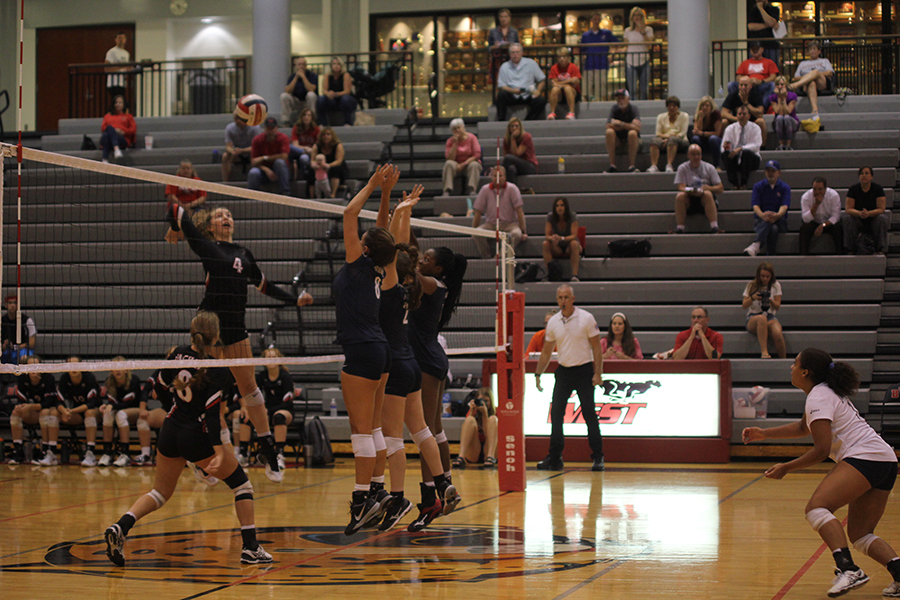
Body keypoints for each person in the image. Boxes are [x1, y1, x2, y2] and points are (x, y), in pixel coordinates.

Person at [104, 311, 273, 567]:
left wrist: (174, 405)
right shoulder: (219, 368)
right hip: (197, 435)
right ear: (217, 336)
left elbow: (158, 385)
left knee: (159, 492)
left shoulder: (177, 353)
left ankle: (121, 526)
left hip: (171, 429)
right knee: (242, 485)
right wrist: (217, 450)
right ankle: (250, 548)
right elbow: (212, 415)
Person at [165, 201, 313, 483]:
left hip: (235, 328)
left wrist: (294, 299)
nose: (226, 218)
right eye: (220, 215)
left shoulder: (244, 253)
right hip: (209, 328)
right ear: (210, 226)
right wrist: (174, 227)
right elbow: (175, 208)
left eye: (229, 215)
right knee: (205, 395)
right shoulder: (208, 247)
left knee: (250, 391)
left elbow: (264, 285)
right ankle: (202, 456)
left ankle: (267, 448)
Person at [742, 348, 900, 599]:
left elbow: (822, 450)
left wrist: (786, 467)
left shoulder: (818, 396)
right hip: (885, 460)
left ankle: (848, 569)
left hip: (865, 457)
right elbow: (804, 427)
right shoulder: (823, 393)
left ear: (805, 371)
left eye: (794, 364)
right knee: (860, 534)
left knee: (817, 508)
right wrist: (765, 433)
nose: (791, 368)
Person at [368, 186, 458, 532]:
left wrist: (397, 210)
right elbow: (400, 248)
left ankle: (396, 496)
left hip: (404, 360)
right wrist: (401, 210)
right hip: (415, 361)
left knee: (399, 434)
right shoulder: (415, 285)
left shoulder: (403, 285)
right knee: (423, 430)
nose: (422, 258)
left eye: (428, 257)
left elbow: (394, 247)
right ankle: (438, 486)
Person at [408, 243, 467, 530]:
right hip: (431, 358)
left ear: (439, 268)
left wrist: (400, 242)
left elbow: (406, 267)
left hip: (427, 362)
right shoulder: (437, 283)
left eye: (427, 259)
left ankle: (429, 500)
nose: (421, 260)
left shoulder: (432, 283)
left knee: (424, 433)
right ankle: (447, 487)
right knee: (434, 430)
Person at [534, 284, 604, 472]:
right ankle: (555, 457)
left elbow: (597, 348)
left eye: (566, 297)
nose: (563, 301)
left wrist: (598, 373)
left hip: (584, 371)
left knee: (589, 414)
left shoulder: (586, 318)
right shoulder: (554, 322)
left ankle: (598, 457)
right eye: (560, 298)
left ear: (573, 299)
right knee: (556, 414)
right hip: (564, 372)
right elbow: (547, 351)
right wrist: (538, 373)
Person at [235, 347, 295, 470]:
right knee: (245, 417)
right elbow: (250, 393)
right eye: (267, 357)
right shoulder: (261, 376)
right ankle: (243, 454)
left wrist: (268, 411)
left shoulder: (285, 377)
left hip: (285, 410)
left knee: (278, 416)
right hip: (266, 411)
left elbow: (287, 403)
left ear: (279, 360)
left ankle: (279, 455)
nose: (270, 360)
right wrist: (245, 407)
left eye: (273, 357)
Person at [99, 357, 149, 467]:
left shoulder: (133, 380)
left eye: (121, 367)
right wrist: (106, 406)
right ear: (111, 370)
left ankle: (125, 454)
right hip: (119, 411)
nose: (118, 370)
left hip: (135, 411)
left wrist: (111, 406)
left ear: (126, 370)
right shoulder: (109, 382)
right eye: (115, 367)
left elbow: (127, 403)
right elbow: (112, 401)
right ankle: (107, 453)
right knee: (107, 414)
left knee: (120, 414)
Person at [471, 166, 528, 259]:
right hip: (491, 224)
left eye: (500, 176)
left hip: (510, 224)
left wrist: (523, 231)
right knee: (477, 233)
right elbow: (478, 212)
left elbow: (519, 211)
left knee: (516, 234)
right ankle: (487, 258)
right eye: (494, 176)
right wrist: (472, 230)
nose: (497, 178)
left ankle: (499, 257)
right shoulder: (485, 190)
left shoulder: (512, 189)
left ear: (505, 177)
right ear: (491, 177)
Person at [10, 356, 58, 465]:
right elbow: (20, 400)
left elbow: (49, 403)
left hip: (48, 411)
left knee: (44, 412)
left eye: (36, 366)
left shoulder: (48, 378)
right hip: (33, 413)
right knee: (15, 413)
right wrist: (19, 406)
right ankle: (18, 451)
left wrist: (30, 406)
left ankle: (45, 451)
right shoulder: (22, 378)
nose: (33, 369)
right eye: (30, 366)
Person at [56, 356, 101, 467]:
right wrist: (64, 411)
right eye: (71, 366)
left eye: (77, 365)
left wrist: (71, 411)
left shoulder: (89, 377)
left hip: (95, 412)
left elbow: (91, 403)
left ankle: (90, 453)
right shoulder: (64, 378)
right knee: (53, 413)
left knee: (89, 413)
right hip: (76, 413)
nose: (74, 368)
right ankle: (50, 451)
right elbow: (57, 402)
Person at [672, 144, 725, 234]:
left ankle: (714, 226)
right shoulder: (682, 168)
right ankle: (680, 227)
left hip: (705, 199)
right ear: (688, 155)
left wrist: (709, 188)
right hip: (690, 199)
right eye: (693, 154)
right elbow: (681, 187)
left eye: (698, 154)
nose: (696, 157)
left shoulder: (709, 167)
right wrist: (690, 191)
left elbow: (720, 188)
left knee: (708, 194)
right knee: (680, 196)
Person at [745, 159, 791, 257]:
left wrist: (777, 215)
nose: (770, 174)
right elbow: (755, 205)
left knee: (773, 223)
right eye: (768, 171)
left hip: (780, 221)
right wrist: (763, 215)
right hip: (762, 220)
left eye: (773, 171)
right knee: (773, 228)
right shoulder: (758, 186)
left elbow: (784, 206)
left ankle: (756, 244)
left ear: (779, 173)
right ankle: (771, 254)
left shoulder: (785, 188)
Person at [743, 262, 786, 358]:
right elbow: (744, 305)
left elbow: (777, 306)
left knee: (777, 332)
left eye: (767, 276)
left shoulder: (776, 285)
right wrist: (753, 297)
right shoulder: (751, 285)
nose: (765, 279)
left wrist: (770, 300)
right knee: (761, 319)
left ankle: (784, 359)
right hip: (753, 316)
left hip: (769, 315)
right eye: (762, 276)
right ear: (758, 275)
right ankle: (764, 352)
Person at [495, 43, 547, 122]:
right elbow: (502, 85)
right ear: (509, 54)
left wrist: (538, 91)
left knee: (541, 100)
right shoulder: (505, 66)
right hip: (512, 94)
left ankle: (528, 121)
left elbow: (542, 79)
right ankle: (501, 121)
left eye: (517, 52)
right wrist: (513, 91)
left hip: (528, 93)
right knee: (501, 95)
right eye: (513, 52)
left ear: (522, 53)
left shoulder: (531, 63)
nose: (515, 55)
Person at [843, 166, 888, 255]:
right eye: (862, 173)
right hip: (858, 219)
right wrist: (860, 213)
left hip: (873, 219)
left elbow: (881, 209)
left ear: (871, 176)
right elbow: (848, 209)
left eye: (866, 173)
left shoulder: (878, 189)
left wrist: (869, 214)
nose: (864, 175)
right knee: (847, 219)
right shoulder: (853, 189)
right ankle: (850, 249)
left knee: (882, 218)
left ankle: (879, 248)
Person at [453, 387, 498, 469]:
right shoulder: (473, 412)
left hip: (490, 448)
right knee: (470, 419)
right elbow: (467, 431)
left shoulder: (497, 412)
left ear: (491, 401)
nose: (483, 403)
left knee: (493, 419)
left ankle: (490, 457)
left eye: (486, 401)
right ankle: (461, 456)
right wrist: (471, 411)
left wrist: (485, 414)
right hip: (475, 449)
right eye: (480, 401)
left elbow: (487, 435)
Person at [721, 104, 763, 191]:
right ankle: (735, 184)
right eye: (739, 114)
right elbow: (723, 147)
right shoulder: (730, 128)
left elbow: (757, 145)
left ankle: (743, 183)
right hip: (736, 159)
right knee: (725, 154)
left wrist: (741, 148)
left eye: (744, 114)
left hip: (751, 159)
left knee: (746, 152)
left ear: (749, 116)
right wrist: (726, 148)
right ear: (736, 115)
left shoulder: (755, 128)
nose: (741, 116)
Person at [727, 41, 779, 108]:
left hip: (761, 85)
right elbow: (738, 76)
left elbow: (773, 76)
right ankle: (739, 106)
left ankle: (762, 106)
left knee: (772, 85)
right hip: (747, 85)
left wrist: (761, 81)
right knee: (731, 85)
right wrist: (747, 81)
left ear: (762, 49)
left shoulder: (769, 62)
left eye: (756, 48)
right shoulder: (745, 63)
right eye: (753, 49)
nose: (754, 50)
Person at [580, 12, 618, 101]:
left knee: (601, 90)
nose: (596, 21)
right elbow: (582, 51)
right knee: (586, 90)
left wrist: (612, 55)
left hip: (602, 65)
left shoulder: (606, 33)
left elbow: (617, 43)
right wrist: (580, 63)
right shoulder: (586, 35)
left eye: (598, 19)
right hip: (588, 66)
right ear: (591, 20)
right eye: (595, 19)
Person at [799, 176, 843, 255]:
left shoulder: (834, 195)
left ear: (825, 188)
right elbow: (806, 219)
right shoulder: (806, 197)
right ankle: (803, 256)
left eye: (820, 189)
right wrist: (816, 205)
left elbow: (836, 216)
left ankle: (839, 255)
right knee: (804, 229)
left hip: (828, 222)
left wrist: (823, 225)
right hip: (814, 221)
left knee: (838, 228)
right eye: (815, 189)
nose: (817, 192)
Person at [543, 196, 582, 282]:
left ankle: (574, 275)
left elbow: (574, 235)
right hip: (557, 246)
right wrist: (553, 238)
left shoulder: (572, 216)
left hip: (569, 246)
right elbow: (547, 235)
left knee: (574, 243)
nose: (559, 208)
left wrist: (562, 238)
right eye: (557, 206)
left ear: (566, 207)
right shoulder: (550, 216)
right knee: (545, 243)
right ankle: (550, 274)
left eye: (562, 205)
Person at [248, 117, 290, 195]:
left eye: (272, 128)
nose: (270, 130)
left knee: (279, 163)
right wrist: (266, 170)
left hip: (280, 171)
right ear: (265, 128)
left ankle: (285, 192)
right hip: (263, 171)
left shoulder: (283, 138)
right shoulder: (257, 140)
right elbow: (253, 162)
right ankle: (252, 198)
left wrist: (264, 158)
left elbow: (284, 157)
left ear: (276, 128)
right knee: (253, 173)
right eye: (268, 128)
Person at [791, 41, 834, 119]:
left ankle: (794, 86)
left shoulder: (824, 61)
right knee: (812, 83)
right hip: (807, 85)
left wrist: (815, 75)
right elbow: (796, 77)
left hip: (821, 83)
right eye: (810, 49)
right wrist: (809, 78)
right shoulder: (803, 63)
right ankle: (815, 109)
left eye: (814, 49)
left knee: (816, 72)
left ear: (819, 51)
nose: (812, 51)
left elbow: (830, 73)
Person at [647, 95, 689, 173]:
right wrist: (667, 138)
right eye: (669, 106)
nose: (672, 108)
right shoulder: (661, 117)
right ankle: (654, 166)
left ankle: (669, 165)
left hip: (681, 140)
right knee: (654, 141)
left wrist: (669, 139)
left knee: (672, 140)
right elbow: (658, 133)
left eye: (674, 106)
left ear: (678, 107)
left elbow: (682, 133)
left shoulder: (684, 116)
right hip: (663, 139)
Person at [721, 77, 767, 146]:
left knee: (761, 121)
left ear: (750, 86)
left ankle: (762, 147)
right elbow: (723, 113)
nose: (743, 87)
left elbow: (760, 113)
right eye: (741, 85)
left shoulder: (756, 94)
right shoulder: (733, 95)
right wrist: (738, 119)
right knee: (724, 121)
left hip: (752, 122)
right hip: (737, 121)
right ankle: (726, 146)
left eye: (745, 85)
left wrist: (746, 103)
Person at [441, 118, 482, 197]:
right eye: (454, 129)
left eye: (459, 128)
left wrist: (464, 164)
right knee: (448, 163)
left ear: (463, 127)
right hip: (456, 164)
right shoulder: (450, 141)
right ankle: (447, 190)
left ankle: (472, 189)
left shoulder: (472, 138)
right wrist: (455, 143)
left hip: (469, 163)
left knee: (474, 165)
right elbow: (449, 158)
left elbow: (477, 155)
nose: (457, 130)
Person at [605, 88, 642, 173]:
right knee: (609, 132)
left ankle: (632, 165)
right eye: (619, 98)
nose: (621, 100)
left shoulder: (634, 109)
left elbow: (637, 128)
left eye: (623, 98)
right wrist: (629, 125)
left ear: (628, 98)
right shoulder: (614, 109)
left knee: (632, 133)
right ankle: (612, 165)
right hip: (619, 141)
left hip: (634, 141)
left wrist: (620, 124)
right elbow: (608, 125)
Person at [307, 127, 348, 199]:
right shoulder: (316, 146)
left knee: (336, 170)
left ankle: (333, 194)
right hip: (320, 167)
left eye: (328, 134)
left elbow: (339, 161)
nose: (326, 136)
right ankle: (312, 196)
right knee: (311, 171)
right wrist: (315, 165)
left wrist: (327, 165)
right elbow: (312, 160)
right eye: (324, 135)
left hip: (334, 165)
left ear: (332, 136)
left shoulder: (338, 145)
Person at [622, 7, 653, 100]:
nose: (637, 17)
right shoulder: (628, 31)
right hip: (631, 61)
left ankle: (644, 106)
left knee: (644, 89)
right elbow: (626, 45)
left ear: (642, 17)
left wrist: (643, 32)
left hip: (644, 60)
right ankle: (633, 107)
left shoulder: (648, 29)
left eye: (639, 15)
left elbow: (649, 45)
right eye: (634, 15)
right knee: (632, 89)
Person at [316, 56, 357, 127]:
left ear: (341, 66)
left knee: (345, 98)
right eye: (334, 64)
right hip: (333, 100)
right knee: (320, 99)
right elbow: (324, 90)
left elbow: (347, 91)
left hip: (346, 100)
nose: (336, 66)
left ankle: (348, 122)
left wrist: (336, 94)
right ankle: (322, 123)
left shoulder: (346, 75)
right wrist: (328, 94)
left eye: (338, 64)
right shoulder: (327, 75)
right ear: (331, 66)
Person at [221, 112, 260, 183]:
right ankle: (225, 181)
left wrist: (242, 150)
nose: (238, 121)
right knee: (225, 156)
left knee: (258, 155)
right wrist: (232, 151)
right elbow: (228, 146)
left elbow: (256, 147)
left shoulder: (254, 127)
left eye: (240, 118)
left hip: (250, 153)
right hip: (237, 153)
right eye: (236, 119)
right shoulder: (230, 128)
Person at [280, 56, 319, 127]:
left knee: (311, 94)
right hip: (296, 101)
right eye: (299, 64)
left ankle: (312, 120)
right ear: (296, 66)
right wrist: (296, 78)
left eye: (303, 64)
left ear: (306, 66)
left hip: (307, 102)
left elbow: (312, 89)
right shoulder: (292, 76)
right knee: (284, 96)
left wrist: (303, 77)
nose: (301, 66)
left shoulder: (312, 75)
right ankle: (286, 121)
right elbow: (287, 90)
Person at [547, 47, 581, 120]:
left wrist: (560, 83)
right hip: (560, 94)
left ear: (568, 58)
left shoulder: (573, 67)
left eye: (564, 56)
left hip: (573, 92)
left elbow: (575, 81)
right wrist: (569, 81)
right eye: (560, 57)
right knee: (554, 89)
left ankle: (571, 112)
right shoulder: (554, 68)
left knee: (568, 88)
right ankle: (552, 113)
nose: (562, 59)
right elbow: (553, 82)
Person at [99, 95, 136, 163]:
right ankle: (116, 149)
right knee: (109, 130)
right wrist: (113, 130)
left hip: (122, 138)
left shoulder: (128, 116)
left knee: (107, 135)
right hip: (108, 137)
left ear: (124, 104)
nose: (118, 104)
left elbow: (133, 130)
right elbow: (103, 128)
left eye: (120, 102)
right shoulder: (108, 116)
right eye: (116, 102)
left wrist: (123, 132)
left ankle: (104, 159)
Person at [1, 295, 36, 364]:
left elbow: (31, 344)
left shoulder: (27, 320)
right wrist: (4, 346)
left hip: (22, 350)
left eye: (15, 303)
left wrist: (14, 347)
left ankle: (24, 374)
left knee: (26, 358)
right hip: (6, 351)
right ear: (5, 305)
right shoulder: (1, 321)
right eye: (10, 303)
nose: (13, 305)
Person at [501, 117, 537, 186]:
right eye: (512, 126)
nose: (514, 128)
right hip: (516, 166)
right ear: (509, 128)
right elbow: (505, 155)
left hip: (529, 166)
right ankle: (512, 191)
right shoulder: (506, 139)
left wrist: (513, 138)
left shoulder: (526, 137)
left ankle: (499, 176)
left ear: (520, 127)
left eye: (517, 126)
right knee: (511, 169)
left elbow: (517, 153)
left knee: (508, 157)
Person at [488, 8, 519, 85]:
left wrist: (512, 46)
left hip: (511, 60)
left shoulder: (514, 32)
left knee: (511, 83)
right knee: (497, 83)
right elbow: (489, 48)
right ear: (499, 18)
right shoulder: (493, 32)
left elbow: (518, 46)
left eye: (505, 16)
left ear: (509, 18)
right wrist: (494, 47)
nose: (503, 19)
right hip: (497, 61)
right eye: (501, 17)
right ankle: (497, 97)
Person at [768, 76, 799, 150]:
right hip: (779, 121)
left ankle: (788, 145)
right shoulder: (772, 97)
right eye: (777, 85)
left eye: (782, 84)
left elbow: (788, 111)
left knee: (786, 117)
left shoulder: (793, 96)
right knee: (780, 118)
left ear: (786, 85)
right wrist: (779, 97)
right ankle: (781, 145)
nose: (780, 87)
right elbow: (779, 112)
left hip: (792, 121)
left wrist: (784, 99)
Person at [691, 96, 723, 169]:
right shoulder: (698, 114)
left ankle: (717, 165)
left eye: (707, 105)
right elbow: (696, 131)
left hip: (715, 140)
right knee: (695, 139)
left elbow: (717, 133)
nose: (705, 107)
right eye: (703, 105)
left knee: (713, 139)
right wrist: (701, 118)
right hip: (703, 141)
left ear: (711, 106)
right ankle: (698, 164)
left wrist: (702, 133)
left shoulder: (716, 114)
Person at [289, 108, 319, 182]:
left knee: (304, 158)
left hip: (311, 153)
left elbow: (317, 146)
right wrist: (305, 148)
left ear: (312, 118)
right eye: (304, 115)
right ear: (301, 117)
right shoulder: (296, 128)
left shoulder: (316, 129)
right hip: (299, 152)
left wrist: (310, 151)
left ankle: (303, 177)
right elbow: (295, 145)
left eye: (309, 115)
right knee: (289, 147)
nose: (306, 117)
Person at [104, 31, 130, 100]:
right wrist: (121, 66)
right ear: (115, 40)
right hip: (114, 83)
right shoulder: (112, 52)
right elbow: (107, 68)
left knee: (121, 102)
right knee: (117, 102)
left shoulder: (126, 53)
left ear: (125, 40)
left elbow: (126, 68)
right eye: (119, 38)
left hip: (122, 82)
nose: (121, 40)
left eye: (122, 38)